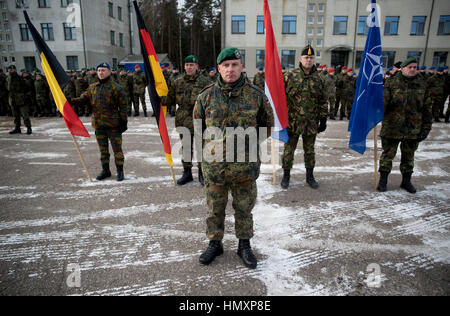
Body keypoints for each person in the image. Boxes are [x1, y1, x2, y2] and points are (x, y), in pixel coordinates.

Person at [193, 47, 274, 269]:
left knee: (244, 208)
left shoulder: (256, 95)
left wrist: (246, 147)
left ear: (241, 67)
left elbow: (267, 126)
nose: (230, 69)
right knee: (214, 208)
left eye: (234, 65)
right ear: (218, 68)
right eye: (225, 65)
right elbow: (198, 129)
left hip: (244, 167)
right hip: (215, 167)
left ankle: (244, 245)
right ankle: (215, 243)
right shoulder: (206, 96)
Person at [377, 57, 432, 194]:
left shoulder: (422, 84)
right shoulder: (391, 83)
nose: (413, 69)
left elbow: (427, 108)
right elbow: (382, 104)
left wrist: (426, 128)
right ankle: (383, 180)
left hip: (413, 129)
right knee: (387, 155)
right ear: (402, 68)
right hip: (392, 127)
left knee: (408, 157)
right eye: (410, 67)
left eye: (415, 67)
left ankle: (406, 181)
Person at [281, 45, 328, 190]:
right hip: (292, 122)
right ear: (300, 59)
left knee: (310, 150)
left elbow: (323, 100)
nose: (308, 60)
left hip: (311, 122)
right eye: (306, 57)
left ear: (314, 59)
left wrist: (323, 119)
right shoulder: (289, 76)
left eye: (311, 57)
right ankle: (286, 176)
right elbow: (280, 98)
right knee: (289, 150)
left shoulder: (319, 78)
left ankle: (310, 176)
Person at [71, 63, 128, 182]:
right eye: (99, 70)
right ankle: (106, 170)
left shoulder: (116, 88)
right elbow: (82, 100)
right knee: (103, 151)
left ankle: (120, 171)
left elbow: (123, 106)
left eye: (103, 70)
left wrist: (123, 122)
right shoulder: (93, 87)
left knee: (117, 150)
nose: (100, 73)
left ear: (109, 71)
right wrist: (67, 100)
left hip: (113, 125)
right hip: (99, 125)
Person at [167, 55, 210, 186]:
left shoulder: (205, 82)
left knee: (201, 148)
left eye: (191, 65)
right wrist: (157, 94)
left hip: (200, 121)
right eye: (187, 65)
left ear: (197, 66)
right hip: (183, 120)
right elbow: (169, 99)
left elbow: (211, 102)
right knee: (186, 148)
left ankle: (202, 173)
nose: (189, 67)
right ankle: (187, 173)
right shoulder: (177, 81)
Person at [6, 65, 32, 135]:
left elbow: (27, 88)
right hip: (13, 99)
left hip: (21, 99)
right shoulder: (8, 78)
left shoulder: (20, 78)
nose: (10, 71)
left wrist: (25, 97)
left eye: (12, 69)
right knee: (15, 115)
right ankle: (17, 128)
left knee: (25, 115)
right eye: (9, 69)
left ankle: (28, 128)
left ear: (15, 70)